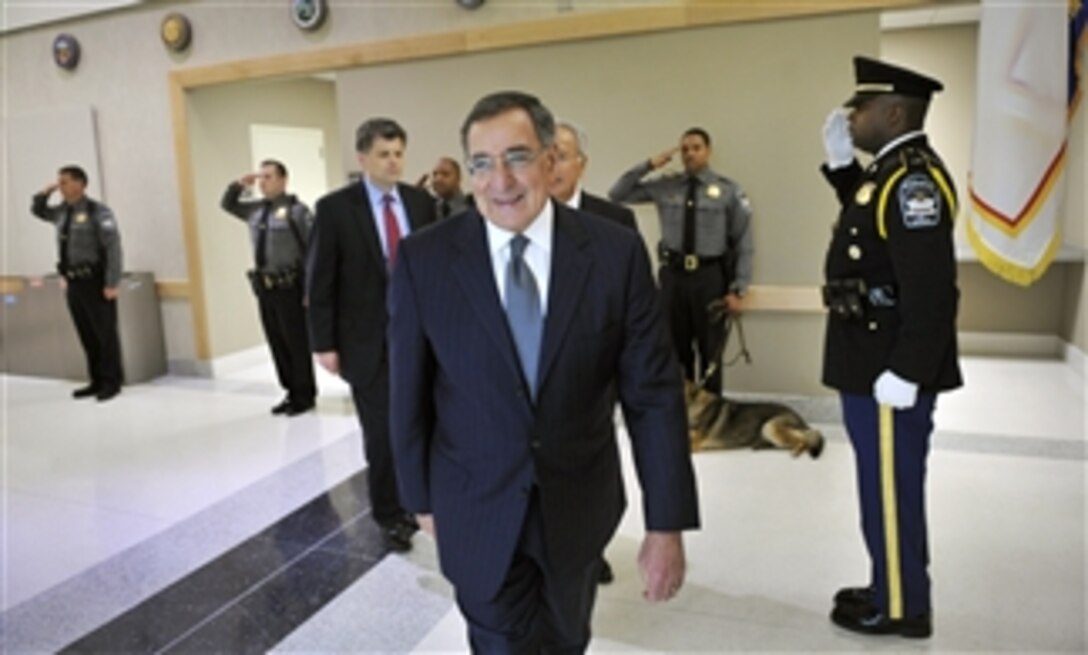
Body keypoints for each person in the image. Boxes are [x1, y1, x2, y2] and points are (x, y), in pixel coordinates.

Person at [389, 91, 699, 652]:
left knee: (564, 639)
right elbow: (407, 392)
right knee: (499, 640)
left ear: (551, 160)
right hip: (475, 504)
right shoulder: (424, 260)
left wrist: (665, 523)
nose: (499, 179)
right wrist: (420, 499)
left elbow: (653, 396)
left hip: (578, 508)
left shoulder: (615, 253)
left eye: (518, 157)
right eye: (482, 163)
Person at [820, 56, 961, 639]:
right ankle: (890, 583)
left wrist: (906, 369)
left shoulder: (913, 182)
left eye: (861, 108)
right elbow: (868, 233)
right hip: (871, 357)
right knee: (881, 488)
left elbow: (931, 290)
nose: (851, 116)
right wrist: (839, 168)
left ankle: (902, 606)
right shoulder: (889, 173)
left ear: (894, 112)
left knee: (890, 491)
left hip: (888, 364)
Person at [306, 118, 437, 552]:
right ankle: (389, 513)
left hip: (422, 337)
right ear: (363, 158)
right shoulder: (336, 209)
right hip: (367, 343)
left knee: (426, 424)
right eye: (384, 153)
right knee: (383, 434)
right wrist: (323, 343)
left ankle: (425, 502)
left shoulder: (421, 203)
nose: (394, 161)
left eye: (399, 152)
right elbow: (320, 279)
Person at [609, 127, 753, 395]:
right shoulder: (666, 186)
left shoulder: (727, 191)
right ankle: (681, 413)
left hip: (710, 278)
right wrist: (649, 164)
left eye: (696, 148)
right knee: (675, 349)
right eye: (685, 149)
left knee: (710, 352)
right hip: (673, 278)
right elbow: (618, 193)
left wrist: (738, 288)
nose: (690, 154)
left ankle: (709, 417)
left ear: (708, 151)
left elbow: (743, 241)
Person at [220, 160, 317, 416]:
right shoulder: (255, 211)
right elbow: (228, 205)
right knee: (276, 341)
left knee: (295, 342)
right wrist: (239, 185)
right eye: (261, 177)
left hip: (290, 286)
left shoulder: (297, 211)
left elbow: (313, 251)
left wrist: (310, 290)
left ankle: (304, 394)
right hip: (265, 286)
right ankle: (290, 390)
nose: (263, 182)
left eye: (269, 177)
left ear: (284, 180)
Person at [31, 165, 124, 402]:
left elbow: (113, 249)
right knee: (86, 334)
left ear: (80, 184)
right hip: (73, 283)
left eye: (64, 182)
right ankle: (96, 380)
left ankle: (112, 382)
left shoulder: (98, 212)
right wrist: (45, 191)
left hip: (95, 281)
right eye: (59, 182)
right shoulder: (61, 212)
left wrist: (112, 282)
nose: (60, 186)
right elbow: (38, 210)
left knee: (105, 334)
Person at [550, 120, 637, 232]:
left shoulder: (615, 219)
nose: (551, 166)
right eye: (545, 157)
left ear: (582, 165)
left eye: (561, 157)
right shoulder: (524, 219)